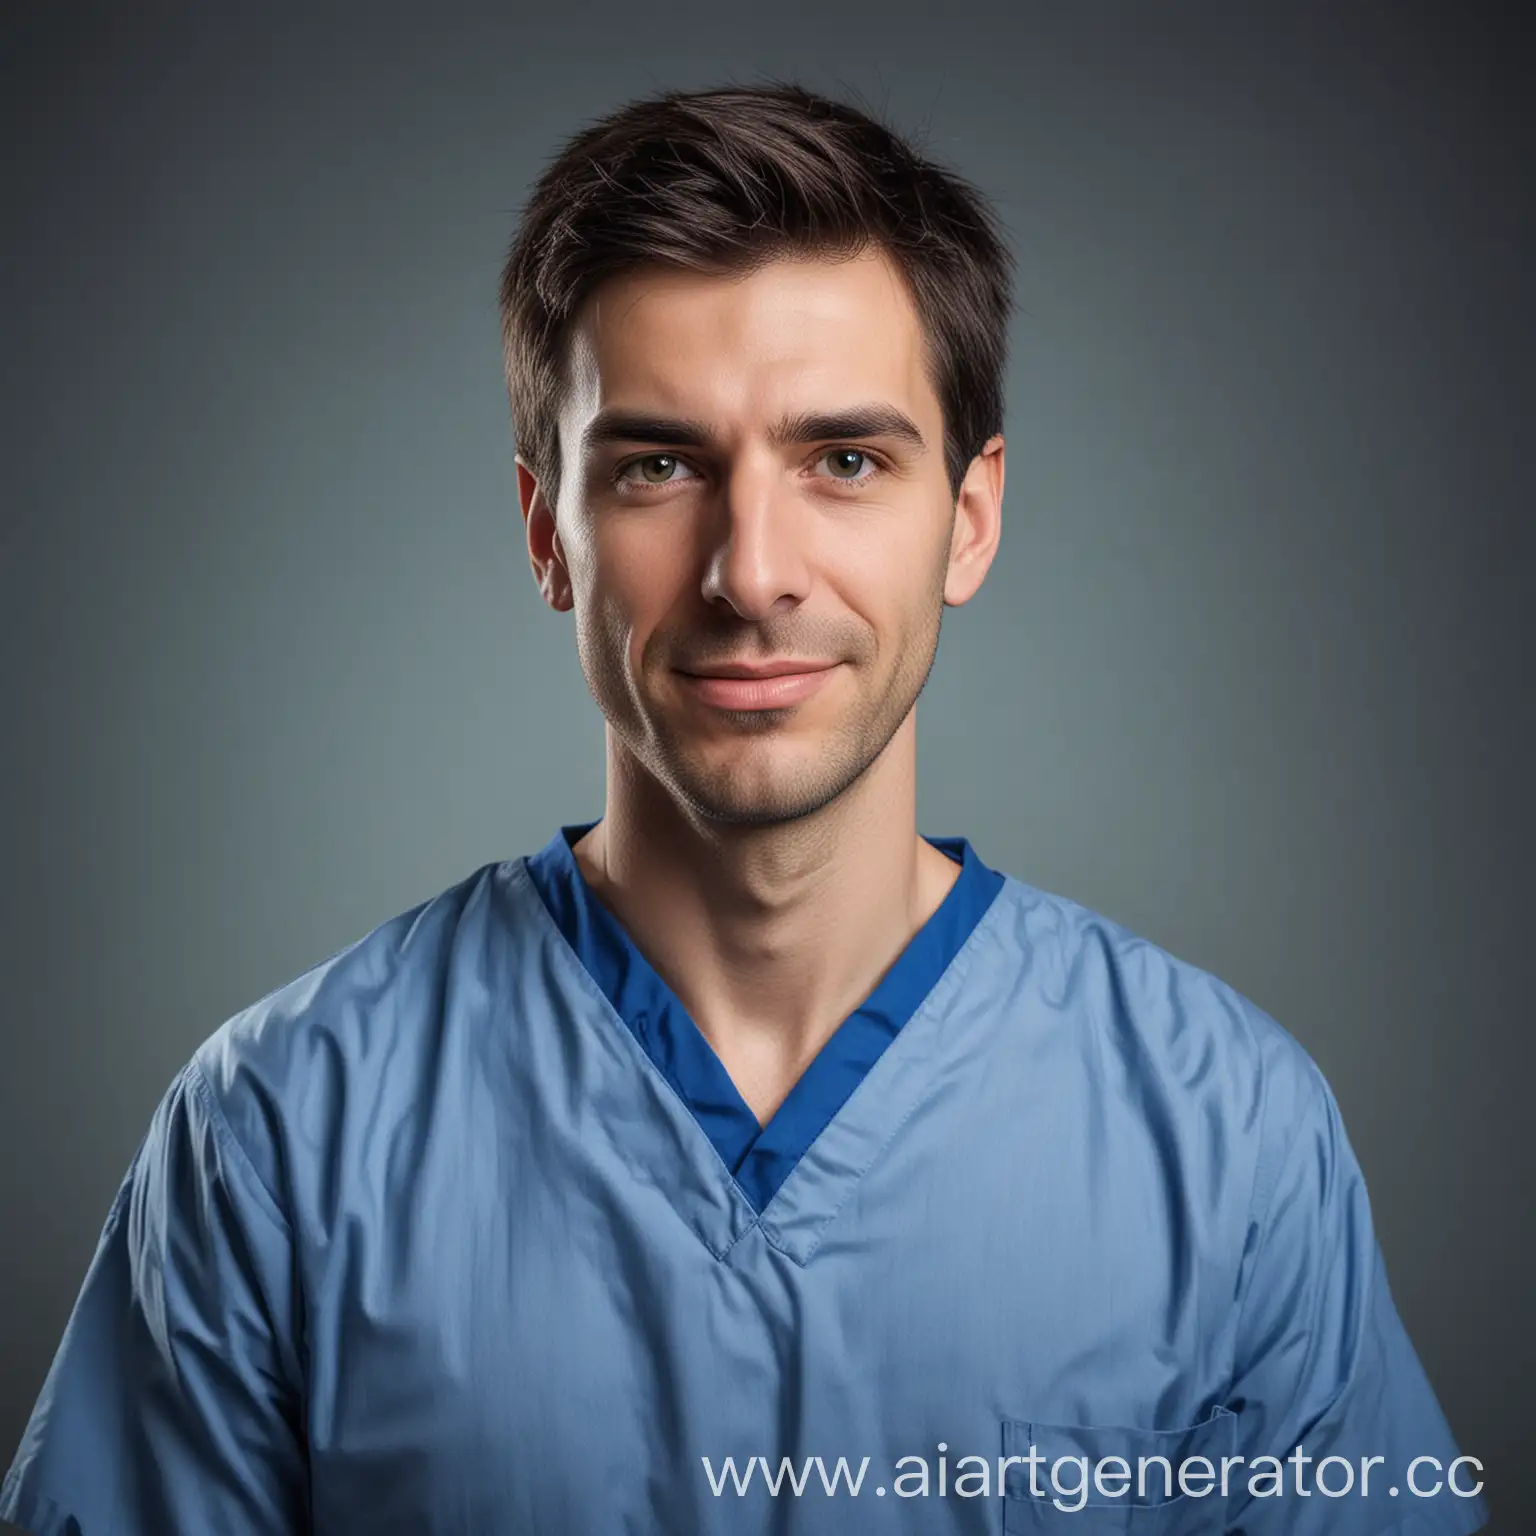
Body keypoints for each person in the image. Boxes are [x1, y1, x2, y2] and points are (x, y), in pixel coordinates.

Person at [1, 83, 1488, 1536]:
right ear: (549, 535)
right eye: (659, 466)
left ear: (967, 520)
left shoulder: (1228, 1145)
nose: (752, 570)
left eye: (845, 461)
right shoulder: (280, 1140)